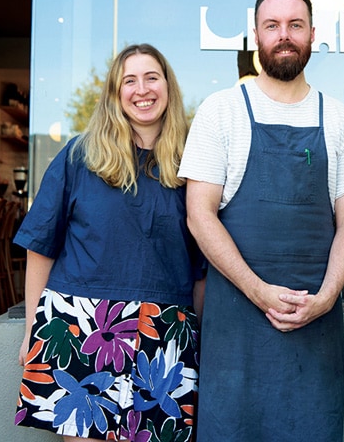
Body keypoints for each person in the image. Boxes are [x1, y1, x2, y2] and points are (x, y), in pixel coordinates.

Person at [180, 0, 344, 441]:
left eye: (295, 25)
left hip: (316, 326)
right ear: (256, 35)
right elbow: (199, 215)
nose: (284, 34)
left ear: (312, 35)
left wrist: (326, 299)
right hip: (237, 327)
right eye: (272, 25)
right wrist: (258, 290)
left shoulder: (340, 119)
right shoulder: (220, 111)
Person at [14, 44, 204, 441]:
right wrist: (33, 328)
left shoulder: (194, 163)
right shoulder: (80, 156)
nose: (142, 89)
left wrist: (198, 338)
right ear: (115, 94)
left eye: (152, 77)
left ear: (168, 86)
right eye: (128, 81)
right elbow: (40, 246)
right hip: (79, 323)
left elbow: (200, 267)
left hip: (166, 331)